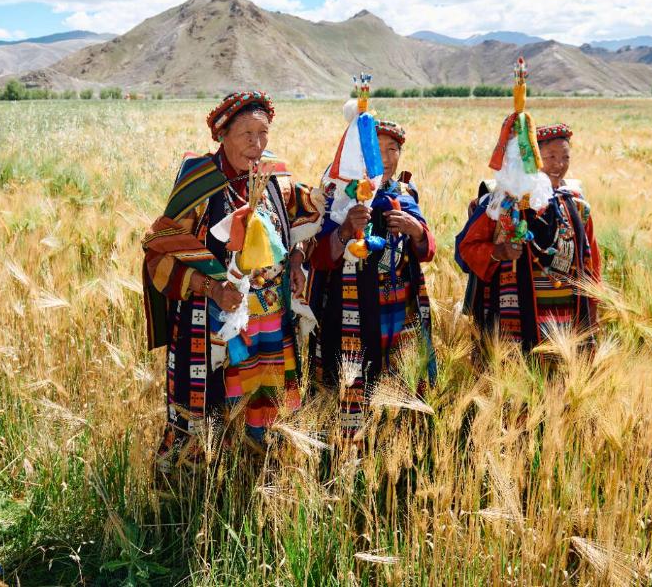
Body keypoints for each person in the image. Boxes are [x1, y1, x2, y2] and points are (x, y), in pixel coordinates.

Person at [143, 91, 321, 470]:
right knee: (215, 412)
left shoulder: (274, 176)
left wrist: (296, 258)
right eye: (247, 135)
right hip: (214, 326)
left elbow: (305, 221)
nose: (257, 144)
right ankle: (205, 486)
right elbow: (160, 250)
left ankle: (258, 473)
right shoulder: (200, 182)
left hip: (270, 324)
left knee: (266, 410)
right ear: (222, 135)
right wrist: (212, 288)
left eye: (263, 133)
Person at [308, 120, 436, 436]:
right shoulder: (337, 195)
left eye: (393, 150)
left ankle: (397, 448)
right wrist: (344, 230)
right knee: (353, 380)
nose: (387, 158)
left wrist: (416, 230)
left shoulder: (405, 193)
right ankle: (350, 448)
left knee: (401, 383)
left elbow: (426, 251)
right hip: (351, 311)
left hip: (399, 313)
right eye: (377, 150)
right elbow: (319, 257)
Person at [456, 123, 600, 355]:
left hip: (567, 322)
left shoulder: (576, 206)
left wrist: (592, 312)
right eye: (550, 157)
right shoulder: (502, 203)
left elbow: (592, 265)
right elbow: (467, 249)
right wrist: (498, 252)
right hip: (513, 323)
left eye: (565, 157)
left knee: (562, 376)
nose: (559, 165)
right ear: (531, 159)